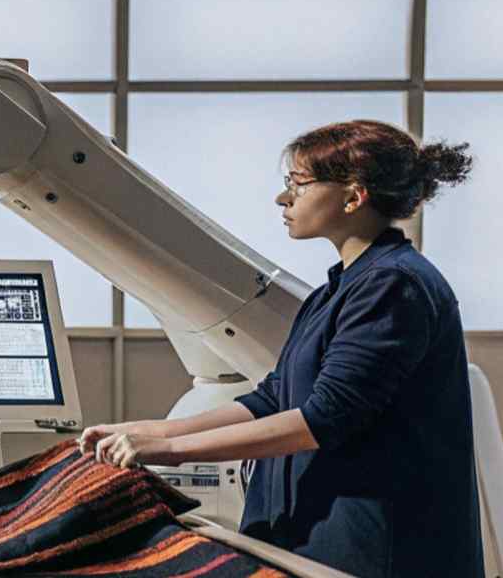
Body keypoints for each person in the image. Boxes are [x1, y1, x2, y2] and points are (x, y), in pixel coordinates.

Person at [76, 120, 482, 577]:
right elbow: (273, 398)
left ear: (353, 197)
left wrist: (171, 451)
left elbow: (322, 418)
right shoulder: (336, 291)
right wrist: (153, 431)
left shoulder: (393, 285)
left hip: (373, 552)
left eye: (298, 184)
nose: (283, 198)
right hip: (312, 540)